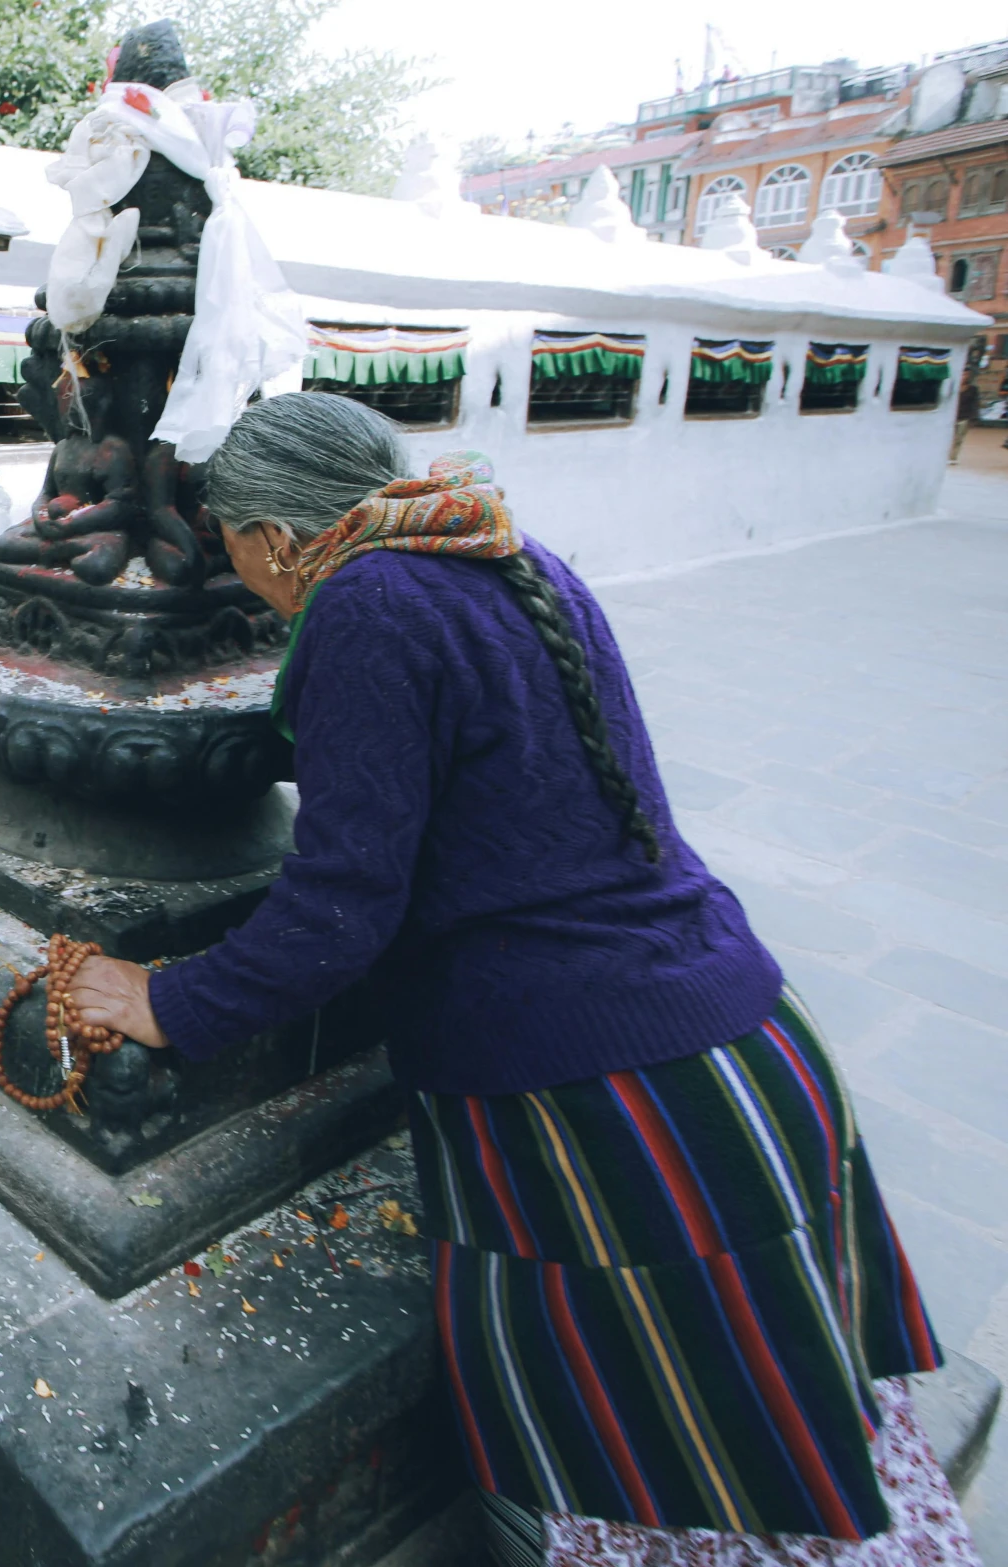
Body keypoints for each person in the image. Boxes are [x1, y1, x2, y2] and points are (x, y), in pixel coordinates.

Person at [68, 393, 977, 1566]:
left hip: (616, 1110)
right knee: (804, 1447)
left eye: (236, 552)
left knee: (692, 1484)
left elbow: (341, 908)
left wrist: (167, 999)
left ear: (275, 540)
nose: (244, 584)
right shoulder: (500, 547)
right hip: (745, 1049)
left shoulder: (364, 603)